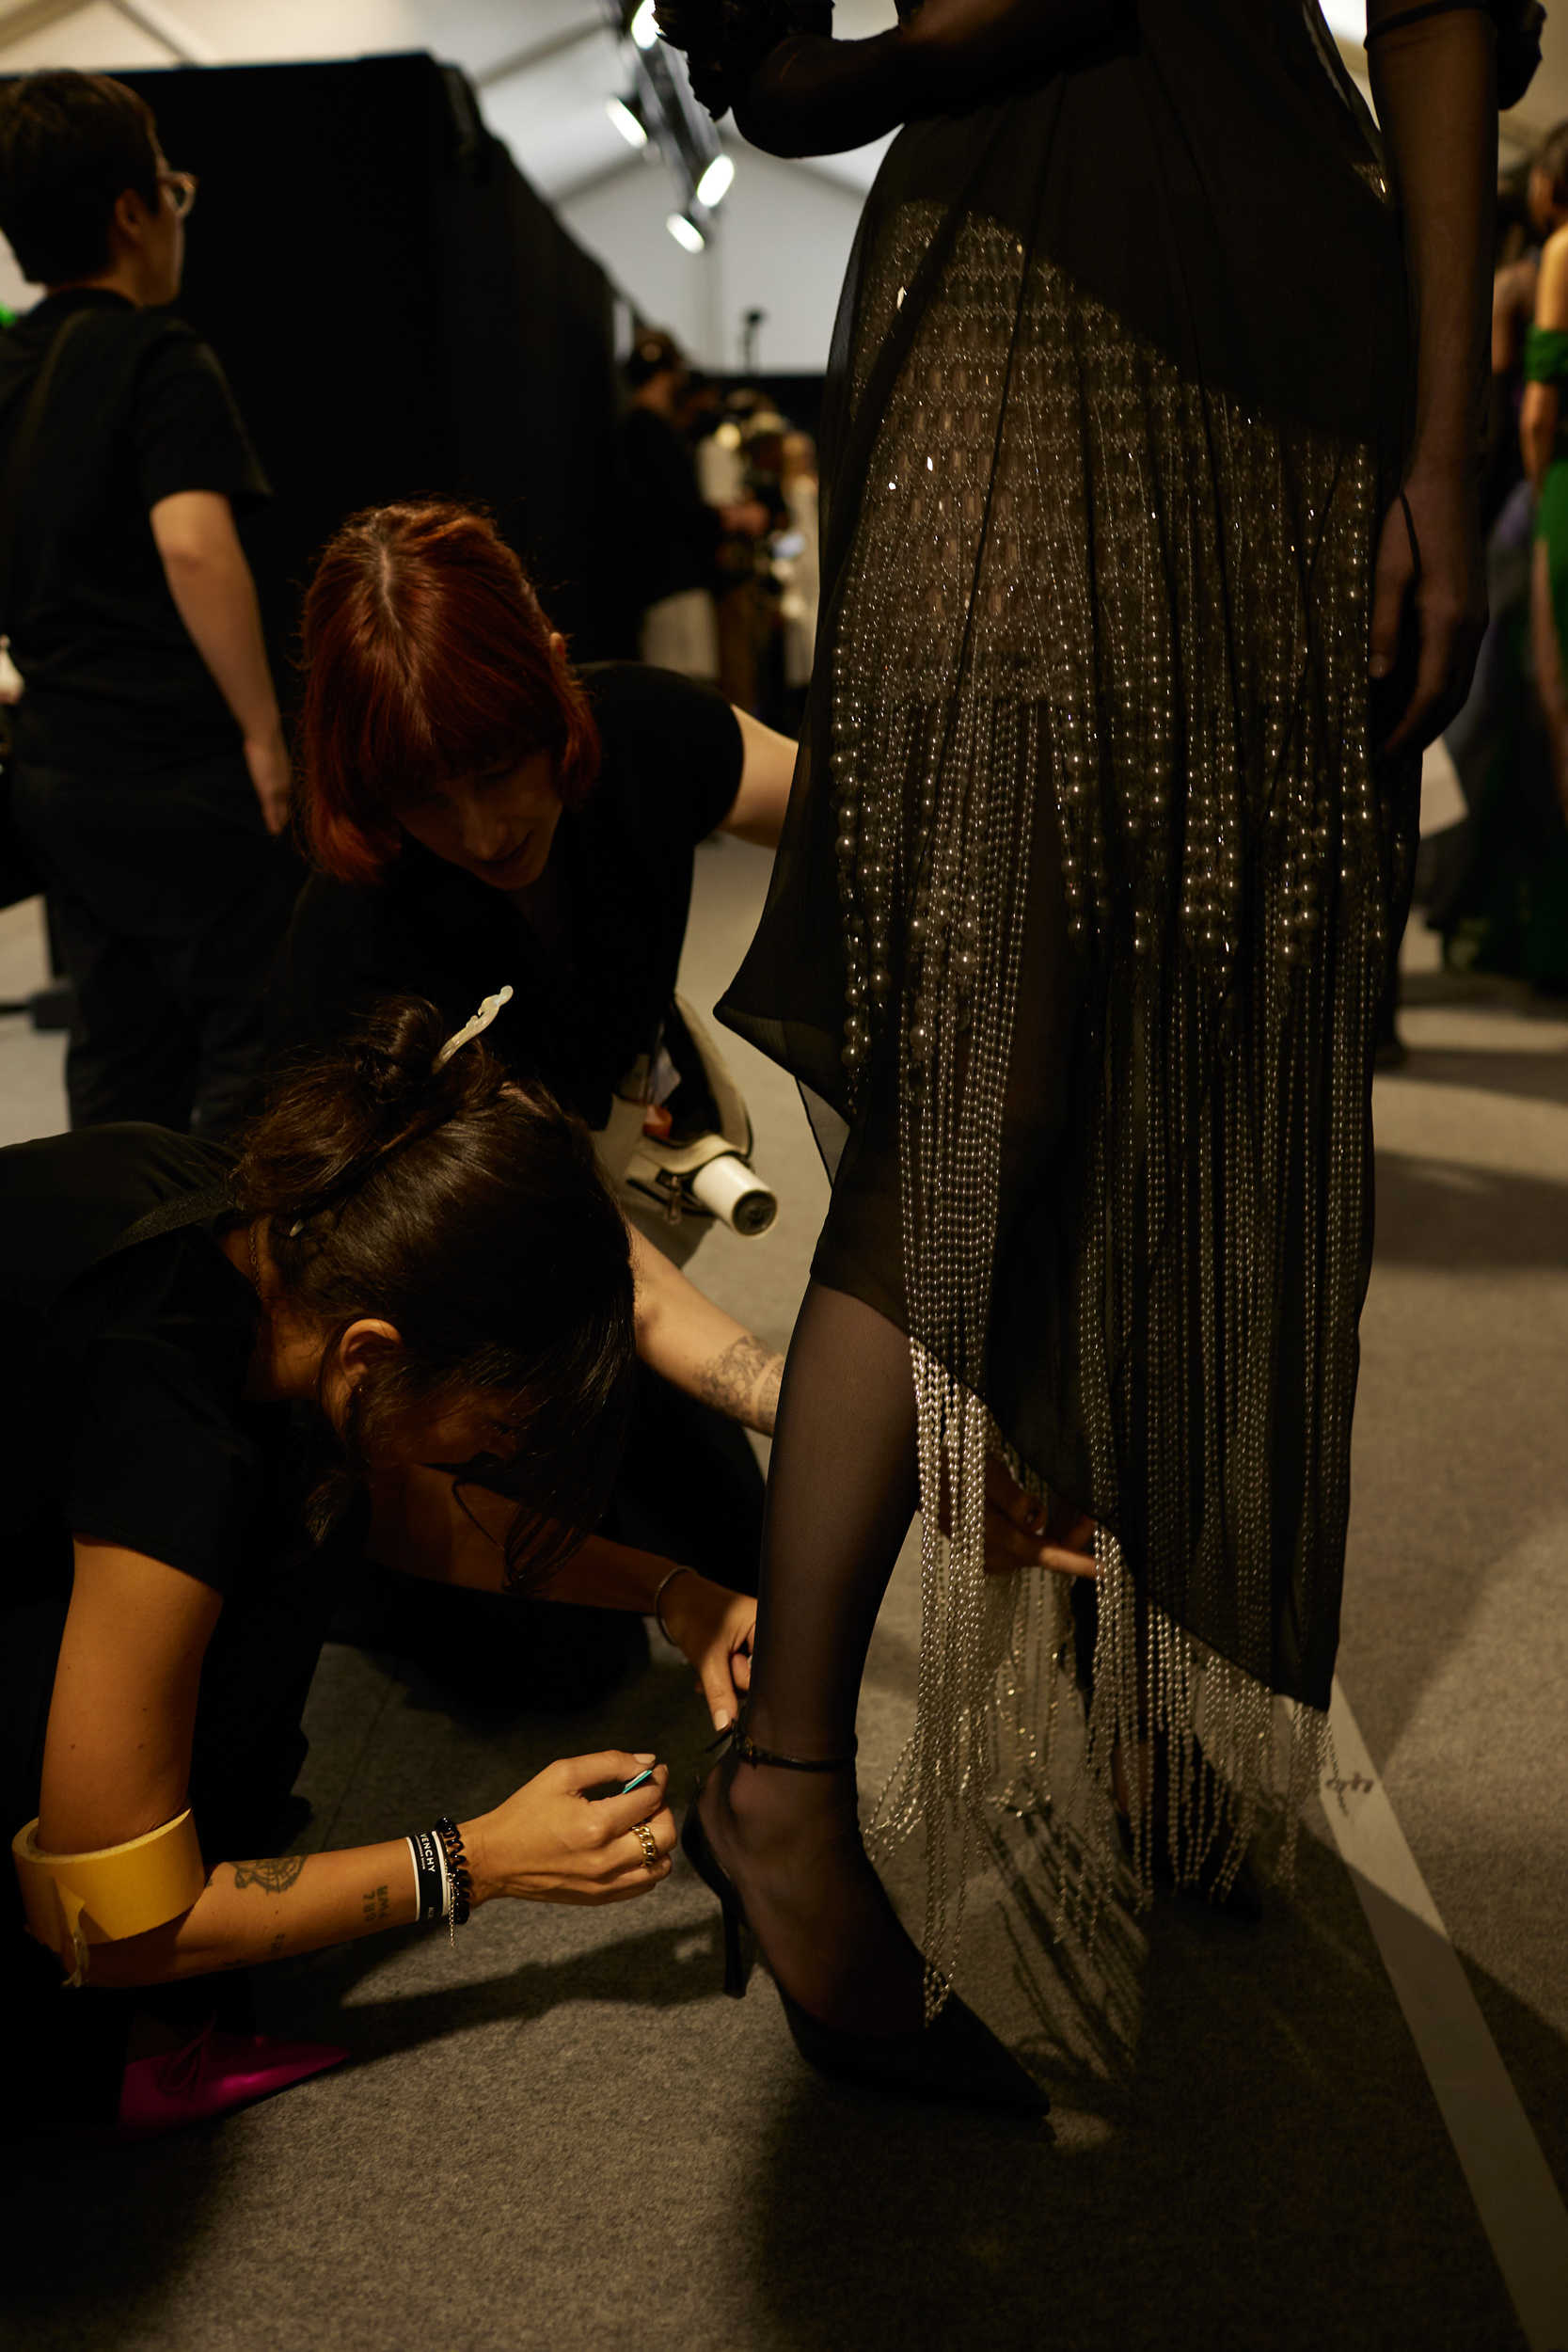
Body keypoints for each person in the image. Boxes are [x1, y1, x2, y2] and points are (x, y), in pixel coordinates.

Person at [651, 0, 1513, 2110]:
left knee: (1186, 1051)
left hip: (1290, 333)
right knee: (986, 1087)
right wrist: (1006, 23)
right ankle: (784, 1780)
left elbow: (1432, 20)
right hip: (1002, 303)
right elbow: (768, 72)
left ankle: (1127, 1662)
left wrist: (1438, 437)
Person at [1, 993, 757, 2137]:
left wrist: (673, 1592)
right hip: (102, 1919)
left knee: (312, 1507)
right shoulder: (174, 1437)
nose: (497, 1458)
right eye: (493, 1429)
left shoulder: (261, 1228)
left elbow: (397, 1511)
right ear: (372, 1354)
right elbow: (106, 1926)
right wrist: (473, 1860)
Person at [267, 501, 799, 1702]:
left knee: (752, 1550)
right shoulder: (366, 948)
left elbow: (851, 821)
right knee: (537, 1663)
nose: (480, 830)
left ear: (551, 677)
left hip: (596, 1198)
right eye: (424, 800)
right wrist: (800, 1400)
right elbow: (609, 1265)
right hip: (446, 1279)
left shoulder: (642, 730)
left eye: (499, 771)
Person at [0, 72, 297, 1139]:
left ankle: (111, 1294)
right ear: (132, 210)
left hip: (55, 775)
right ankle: (243, 1298)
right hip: (175, 764)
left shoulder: (9, 367)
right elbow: (194, 548)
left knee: (118, 1065)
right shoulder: (161, 360)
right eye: (168, 185)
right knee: (251, 1055)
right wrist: (263, 736)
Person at [621, 329, 767, 681]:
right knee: (685, 690)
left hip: (667, 582)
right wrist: (736, 519)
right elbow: (679, 510)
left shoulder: (647, 427)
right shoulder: (648, 427)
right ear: (667, 372)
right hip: (673, 584)